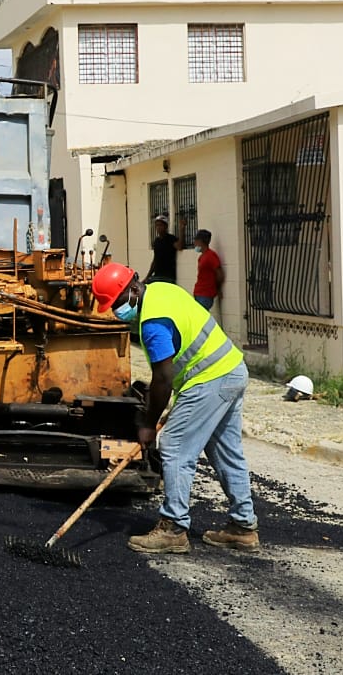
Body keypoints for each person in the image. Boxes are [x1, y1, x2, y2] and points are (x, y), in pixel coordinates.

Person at [91, 263, 259, 555]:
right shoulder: (161, 290)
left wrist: (148, 424)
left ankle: (173, 528)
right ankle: (243, 527)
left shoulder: (153, 324)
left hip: (210, 378)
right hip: (230, 369)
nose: (117, 311)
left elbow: (162, 379)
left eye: (118, 303)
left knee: (175, 446)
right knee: (225, 450)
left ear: (132, 290)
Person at [192, 229, 224, 311]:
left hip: (205, 294)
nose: (194, 243)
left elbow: (219, 274)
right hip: (199, 292)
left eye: (195, 240)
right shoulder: (202, 257)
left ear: (200, 241)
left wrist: (218, 288)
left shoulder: (210, 256)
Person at [144, 214, 181, 284]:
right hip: (157, 275)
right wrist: (147, 277)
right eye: (157, 225)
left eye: (160, 225)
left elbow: (179, 247)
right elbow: (155, 260)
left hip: (168, 277)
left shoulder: (171, 238)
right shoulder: (156, 241)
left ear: (166, 226)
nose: (158, 227)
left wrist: (182, 229)